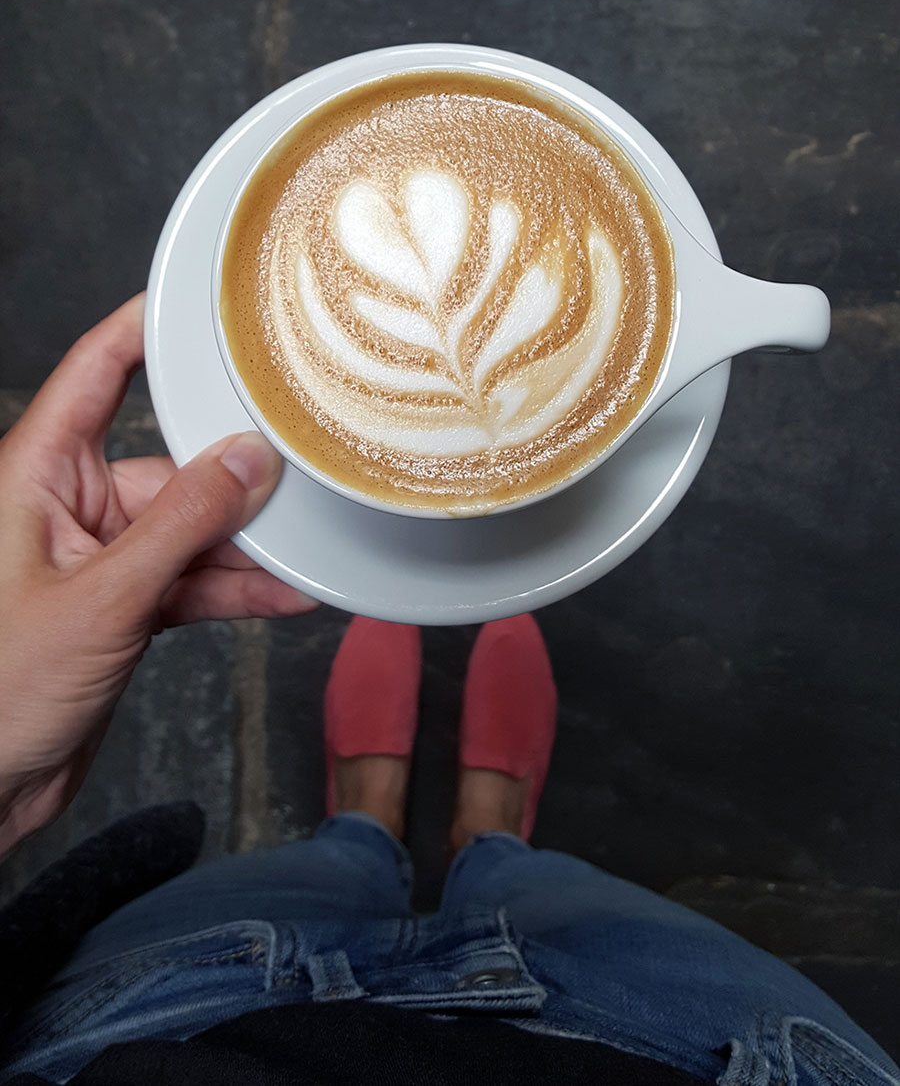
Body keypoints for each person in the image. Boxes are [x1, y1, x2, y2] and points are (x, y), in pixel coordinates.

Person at [0, 296, 896, 1086]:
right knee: (528, 882)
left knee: (326, 867)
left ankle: (362, 814)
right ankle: (492, 833)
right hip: (691, 1047)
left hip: (171, 1014)